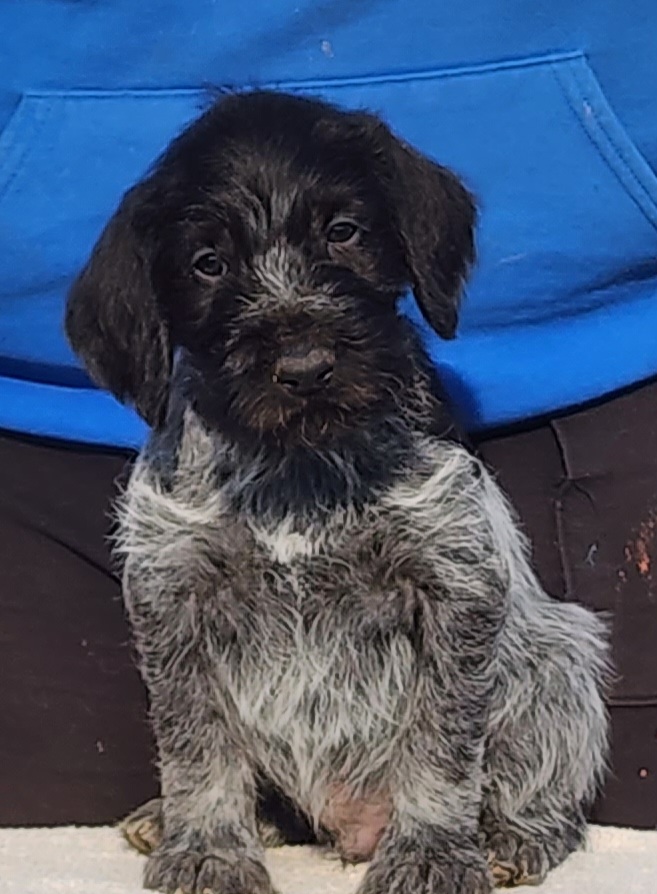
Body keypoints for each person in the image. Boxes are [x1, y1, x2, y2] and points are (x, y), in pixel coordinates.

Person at [1, 0, 655, 829]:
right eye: (209, 263)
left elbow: (463, 605)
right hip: (42, 462)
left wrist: (438, 823)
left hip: (590, 389)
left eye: (343, 233)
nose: (303, 351)